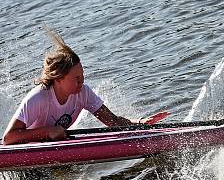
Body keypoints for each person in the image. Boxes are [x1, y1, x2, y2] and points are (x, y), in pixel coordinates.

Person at [3, 29, 160, 145]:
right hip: (27, 149)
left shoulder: (83, 93)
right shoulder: (38, 98)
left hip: (54, 144)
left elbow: (113, 121)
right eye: (76, 79)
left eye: (82, 76)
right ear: (58, 79)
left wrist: (141, 123)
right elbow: (8, 138)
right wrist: (48, 131)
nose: (81, 82)